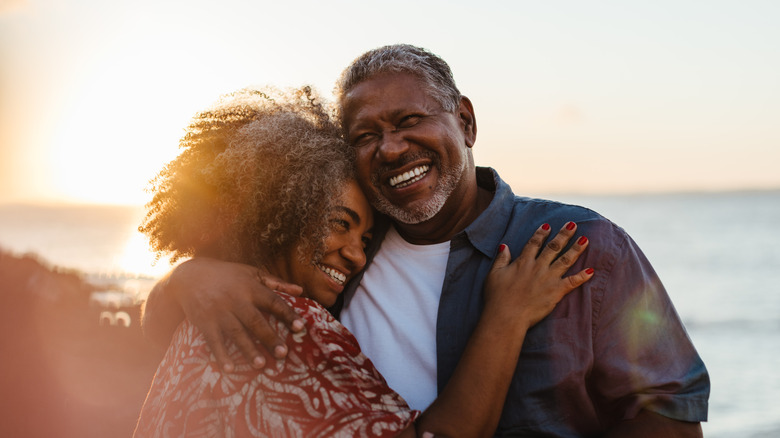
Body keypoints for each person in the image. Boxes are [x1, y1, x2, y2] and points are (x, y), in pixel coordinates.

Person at [143, 45, 710, 437]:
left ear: (464, 122)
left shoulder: (580, 245)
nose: (391, 148)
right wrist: (187, 276)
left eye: (409, 119)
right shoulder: (335, 261)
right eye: (366, 134)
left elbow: (669, 411)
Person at [133, 86, 593, 437]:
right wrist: (506, 317)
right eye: (339, 223)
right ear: (280, 212)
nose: (356, 254)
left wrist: (182, 276)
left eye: (367, 236)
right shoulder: (287, 323)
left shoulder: (209, 311)